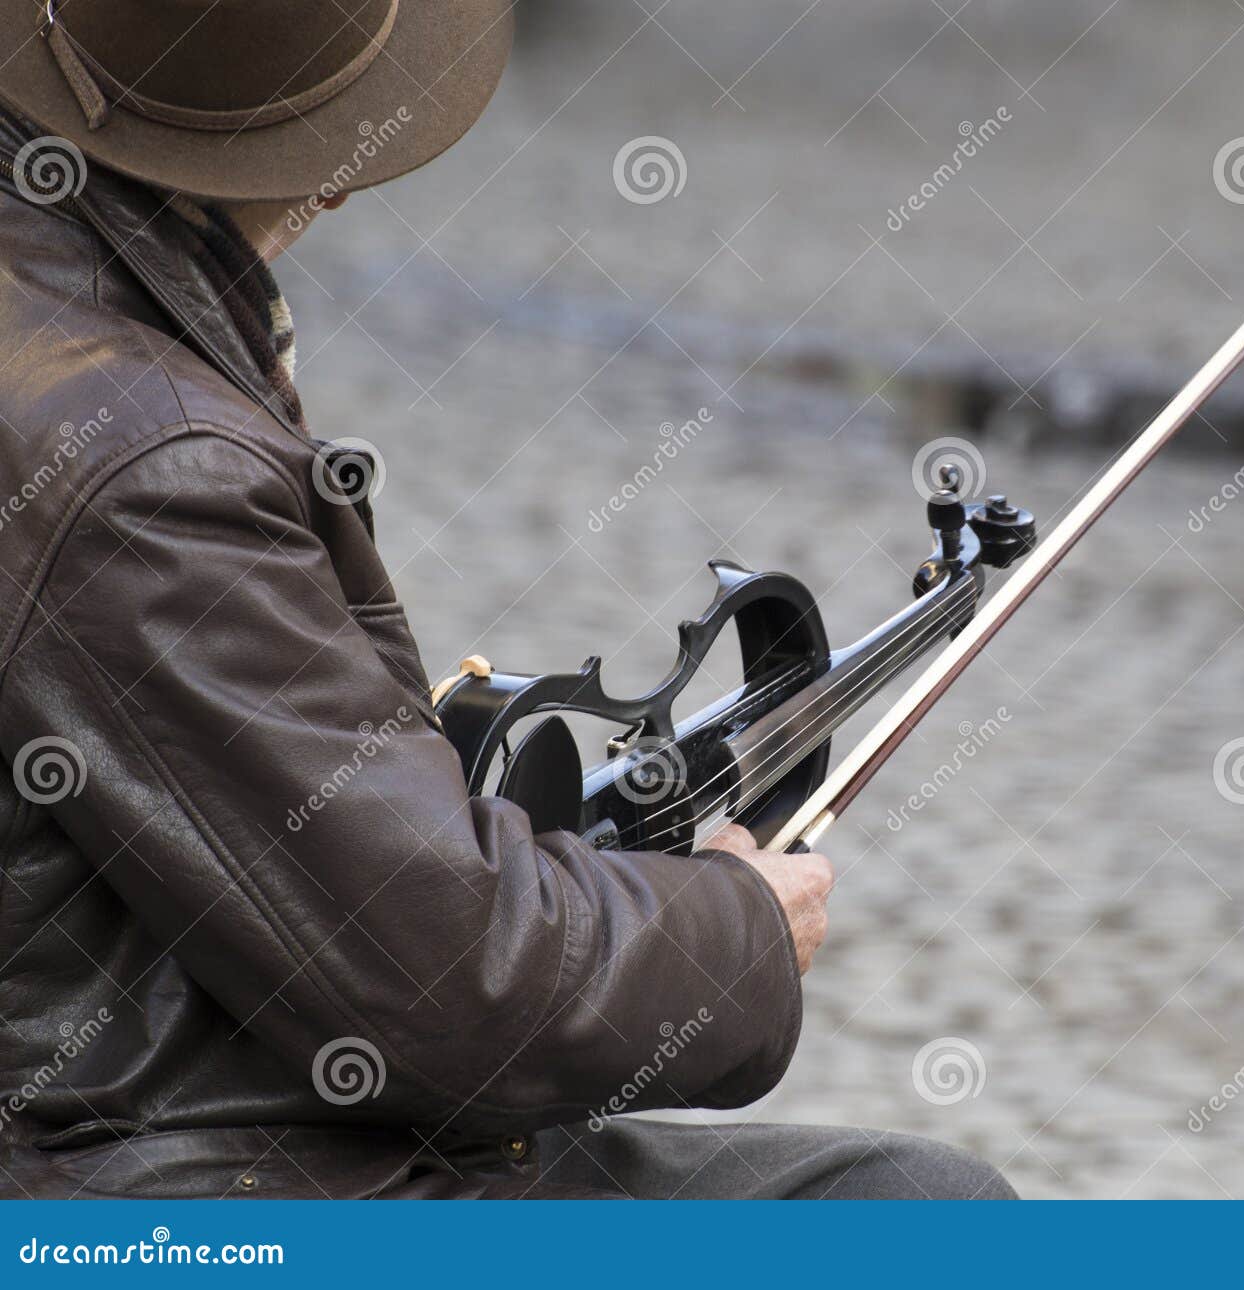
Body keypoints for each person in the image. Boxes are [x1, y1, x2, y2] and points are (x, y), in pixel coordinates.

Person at [0, 1, 1013, 1200]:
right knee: (915, 1212)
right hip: (166, 1188)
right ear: (321, 171)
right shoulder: (150, 464)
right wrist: (739, 930)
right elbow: (448, 985)